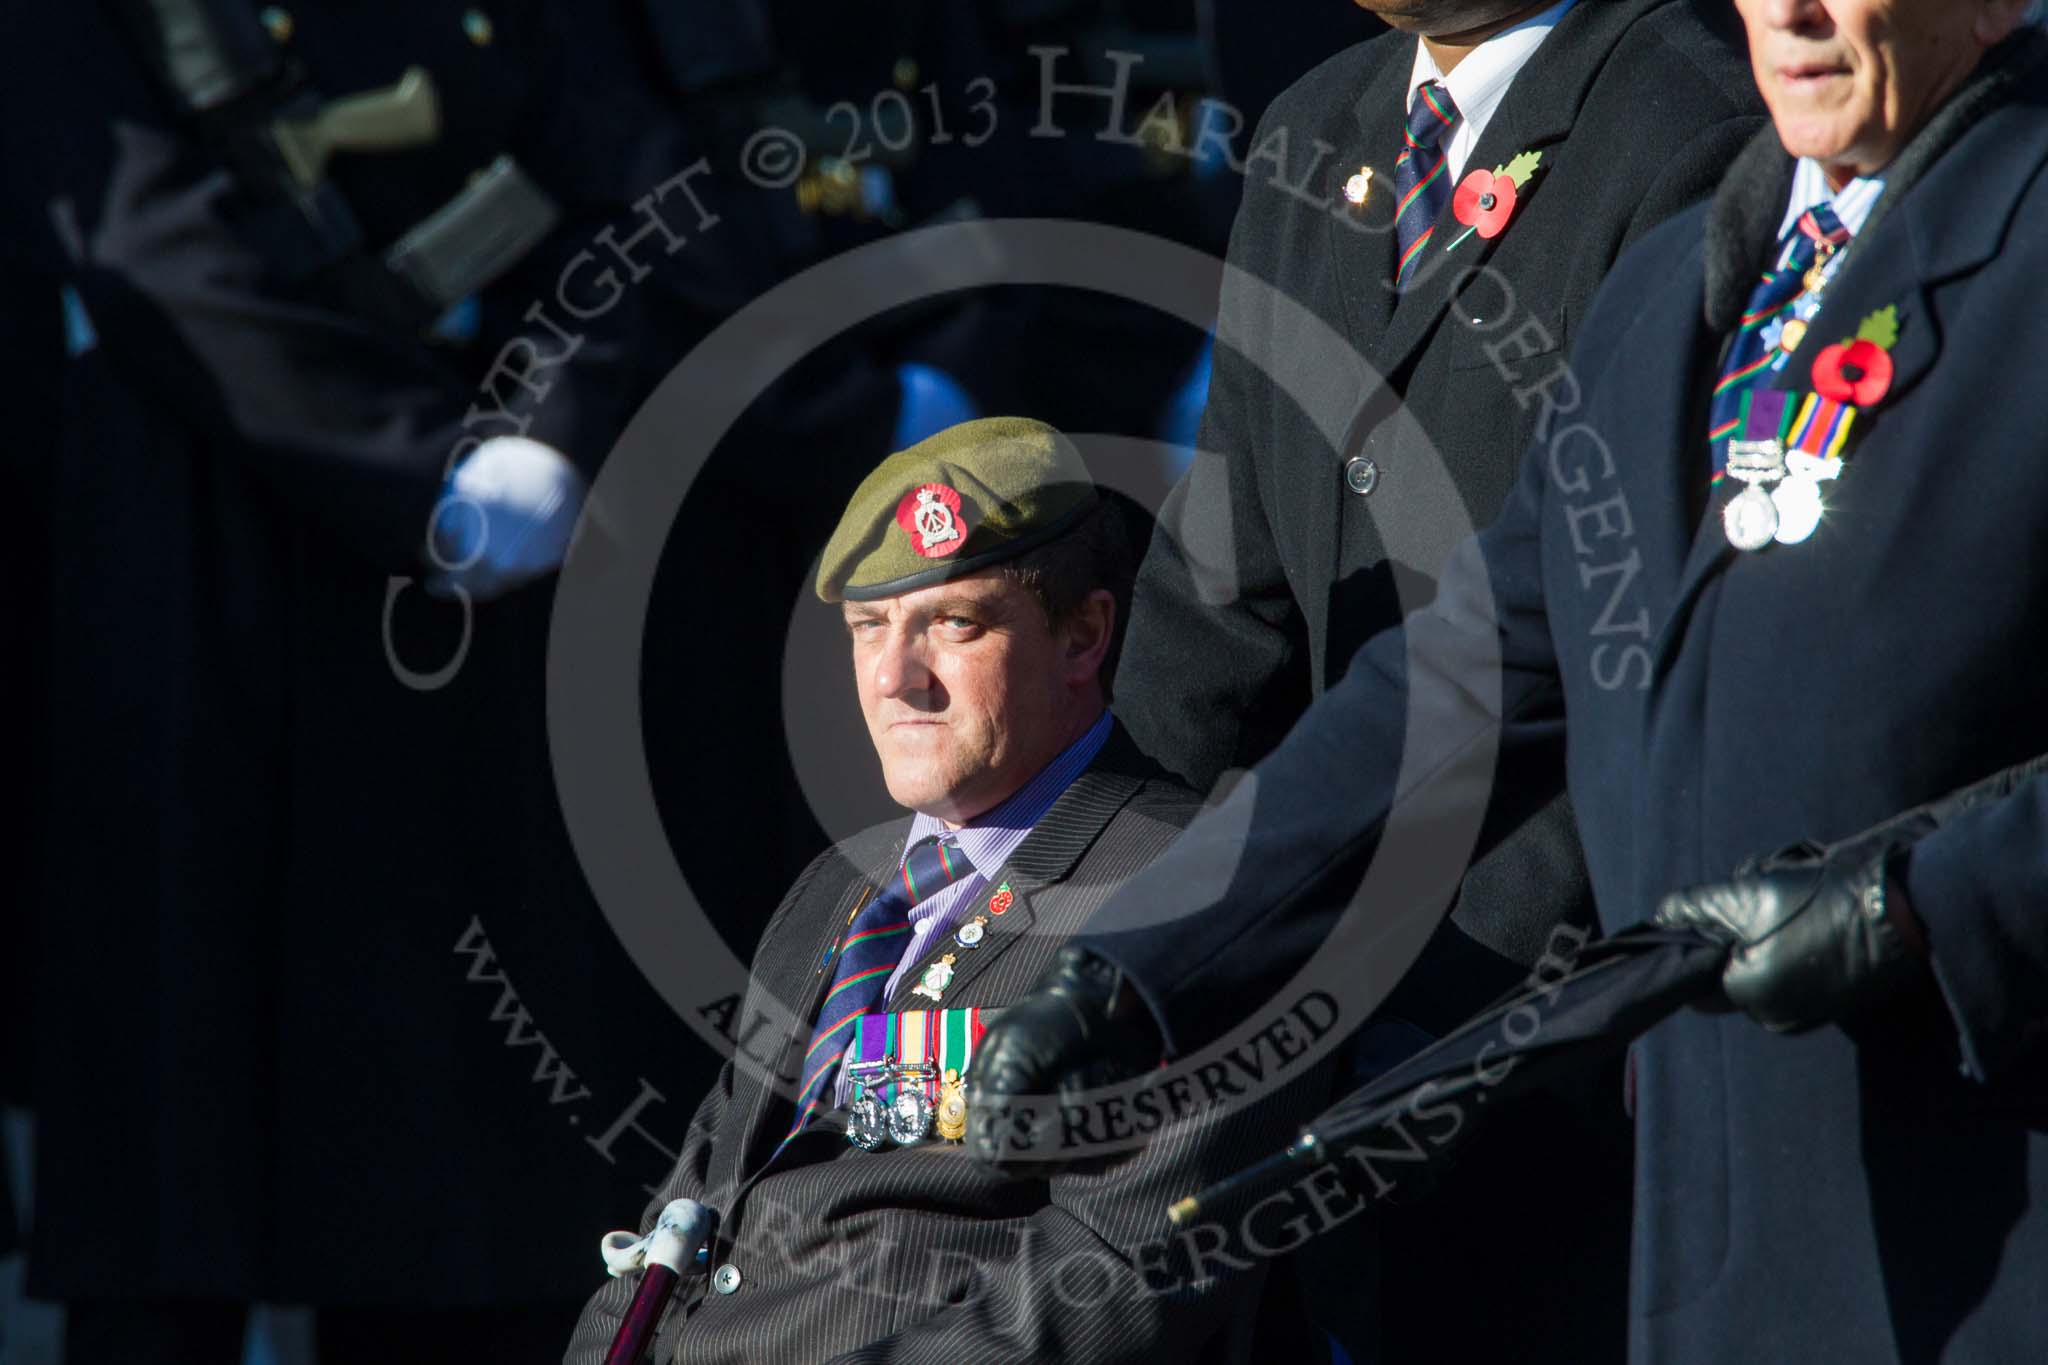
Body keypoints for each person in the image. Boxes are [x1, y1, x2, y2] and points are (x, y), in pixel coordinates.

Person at [974, 1, 2048, 1361]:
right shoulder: (1678, 290)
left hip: (1996, 1182)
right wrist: (1136, 963)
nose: (1795, 8)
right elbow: (1470, 673)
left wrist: (1933, 908)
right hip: (1724, 1222)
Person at [1110, 0, 1763, 1355]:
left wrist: (1477, 991)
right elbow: (1222, 599)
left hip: (1547, 1016)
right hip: (1317, 1012)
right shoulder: (1318, 123)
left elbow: (1647, 631)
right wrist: (1111, 912)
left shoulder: (1687, 122)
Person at [565, 418, 1329, 1364]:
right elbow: (683, 1213)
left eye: (953, 624)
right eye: (869, 626)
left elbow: (1116, 1283)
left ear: (1085, 635)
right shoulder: (834, 886)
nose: (895, 676)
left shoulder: (1192, 896)